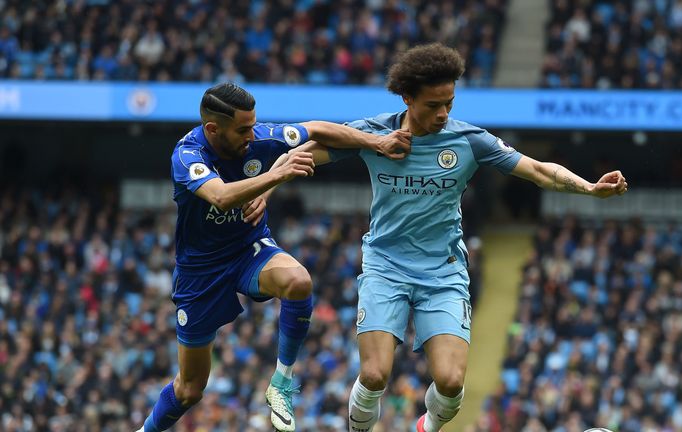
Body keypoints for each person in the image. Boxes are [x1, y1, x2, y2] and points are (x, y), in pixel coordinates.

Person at [252, 43, 628, 432]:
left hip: (442, 272)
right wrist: (263, 189)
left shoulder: (469, 140)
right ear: (407, 98)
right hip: (386, 266)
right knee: (376, 375)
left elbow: (537, 171)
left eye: (449, 102)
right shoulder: (372, 134)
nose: (443, 113)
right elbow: (300, 154)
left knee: (450, 383)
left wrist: (588, 188)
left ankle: (426, 427)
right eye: (433, 105)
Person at [136, 82, 411, 432]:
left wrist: (377, 142)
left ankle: (281, 383)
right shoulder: (188, 154)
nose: (252, 135)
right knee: (190, 390)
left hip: (249, 250)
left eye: (254, 125)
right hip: (201, 271)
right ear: (212, 129)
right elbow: (220, 196)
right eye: (243, 129)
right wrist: (275, 175)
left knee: (298, 281)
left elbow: (319, 129)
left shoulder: (259, 137)